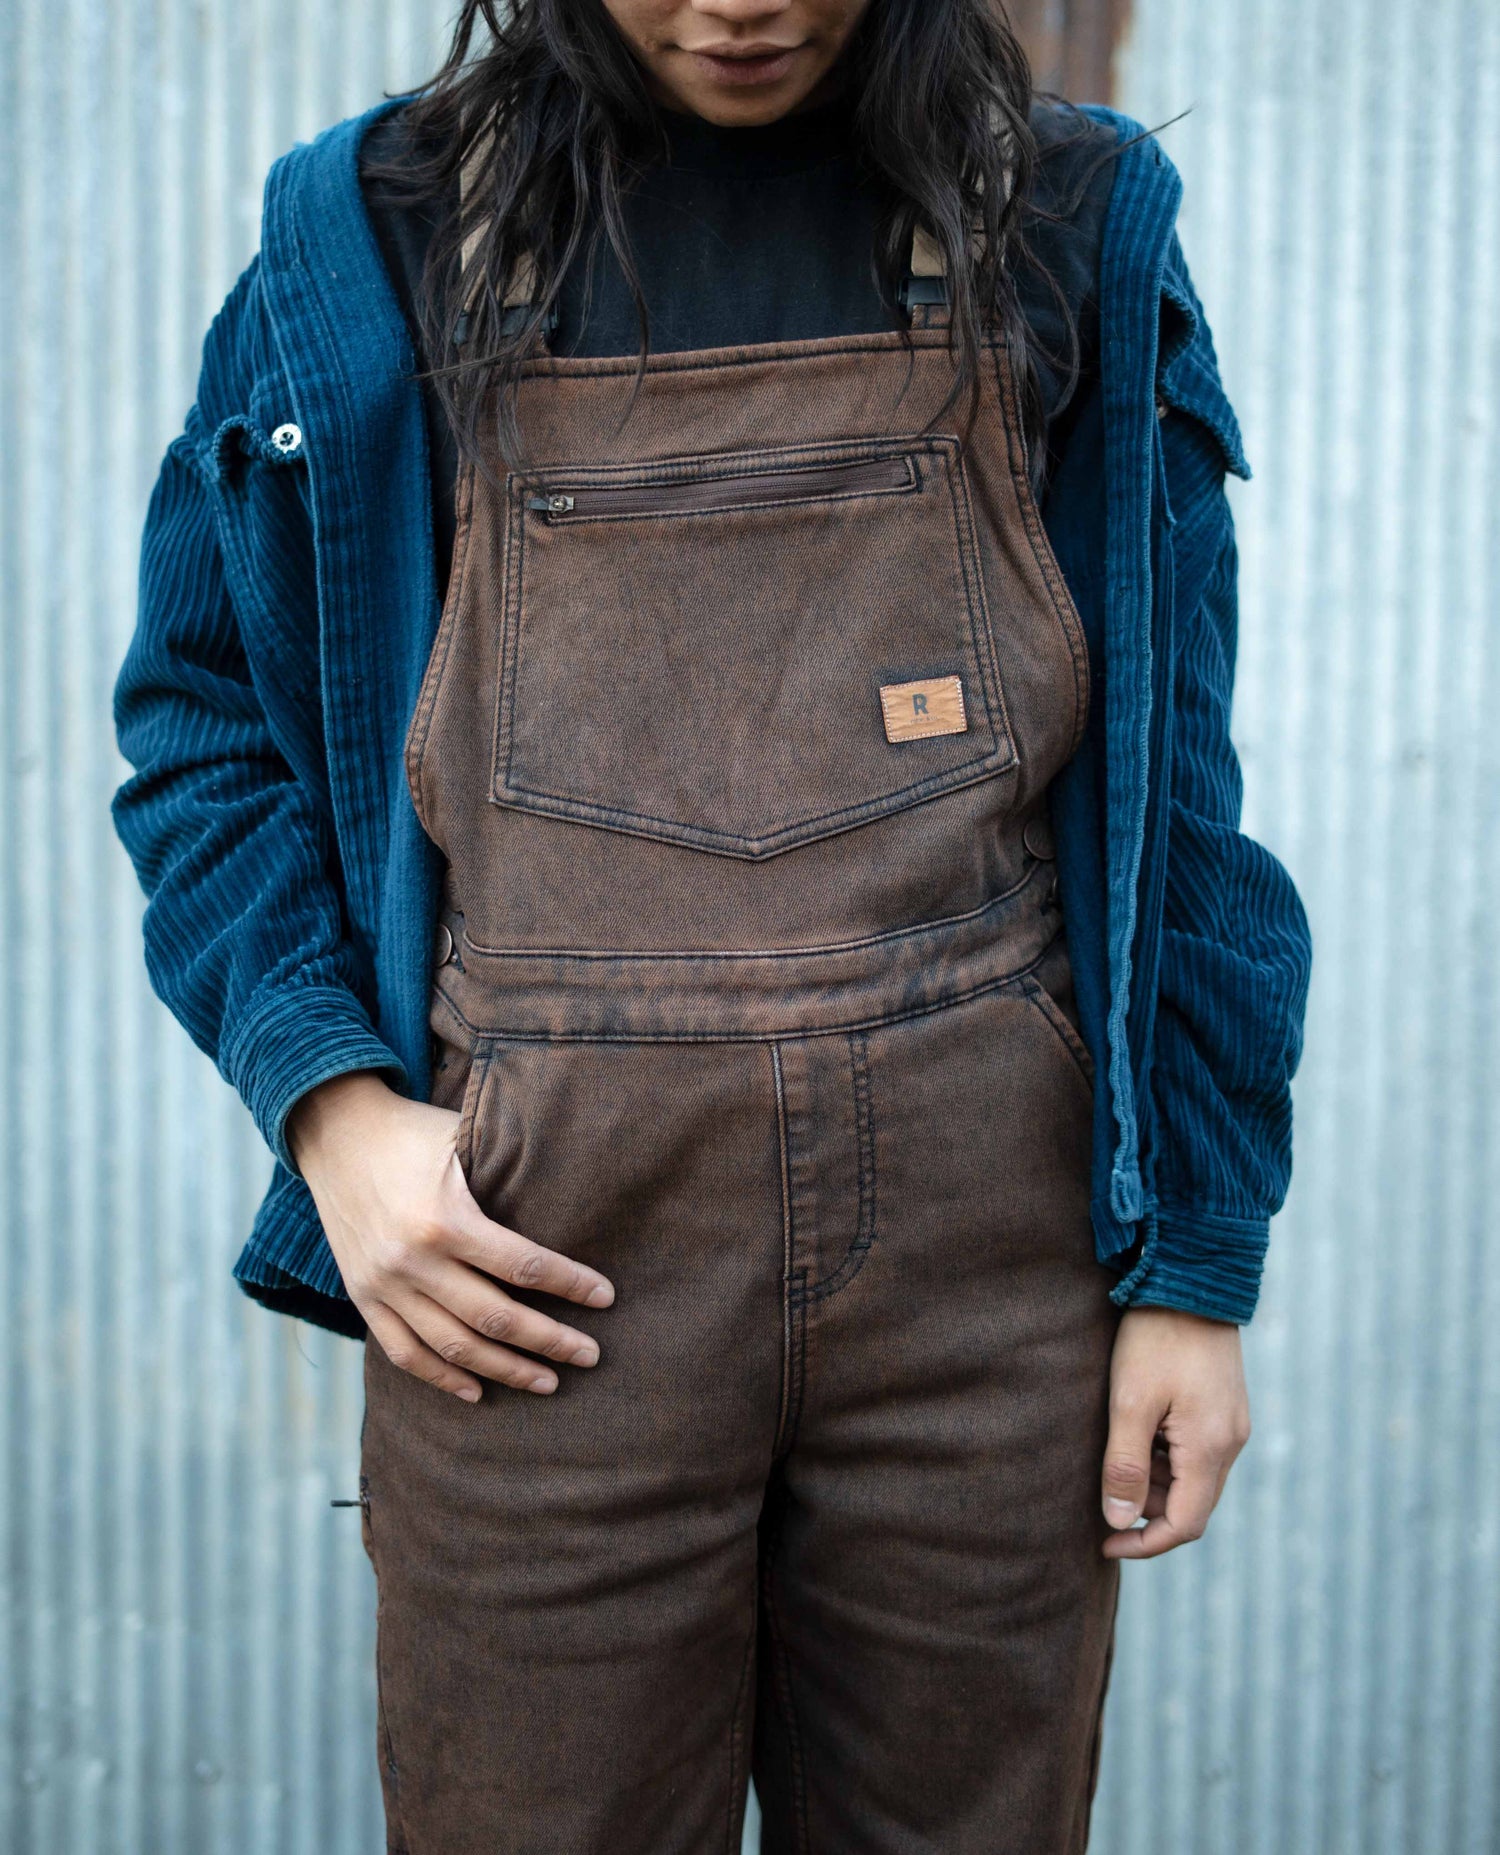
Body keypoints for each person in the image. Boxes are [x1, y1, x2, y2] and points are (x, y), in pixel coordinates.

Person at [110, 1, 1312, 1849]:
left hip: (989, 1290)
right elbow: (204, 729)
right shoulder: (375, 237)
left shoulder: (1066, 217)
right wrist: (329, 1104)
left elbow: (1177, 787)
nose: (736, 2)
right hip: (538, 1287)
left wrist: (1193, 1264)